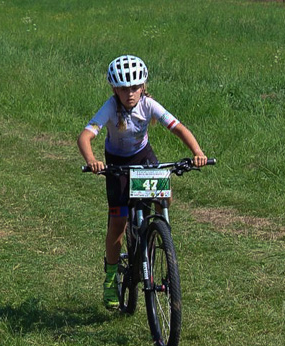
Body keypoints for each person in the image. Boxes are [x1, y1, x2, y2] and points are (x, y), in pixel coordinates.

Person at [77, 55, 208, 310]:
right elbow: (85, 136)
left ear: (143, 87)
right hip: (116, 163)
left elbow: (178, 127)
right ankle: (111, 278)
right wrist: (93, 160)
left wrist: (198, 153)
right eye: (124, 88)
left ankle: (161, 234)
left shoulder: (148, 105)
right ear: (114, 89)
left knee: (164, 194)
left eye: (135, 87)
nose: (130, 93)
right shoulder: (110, 108)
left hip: (143, 157)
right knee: (118, 223)